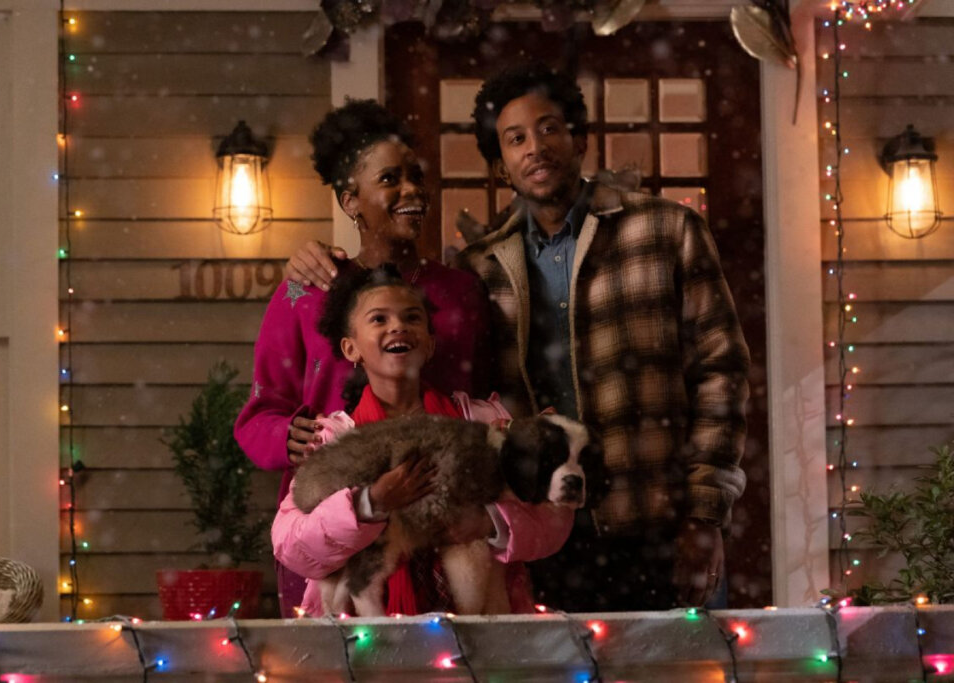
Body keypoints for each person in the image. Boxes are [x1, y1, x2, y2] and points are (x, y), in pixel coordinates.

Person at [283, 62, 750, 612]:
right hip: (541, 526)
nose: (535, 148)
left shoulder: (666, 231)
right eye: (515, 138)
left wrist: (703, 514)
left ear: (578, 139)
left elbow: (722, 370)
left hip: (654, 515)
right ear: (501, 162)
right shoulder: (483, 267)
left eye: (549, 128)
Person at [234, 99, 490, 617]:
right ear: (351, 200)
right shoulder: (307, 292)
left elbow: (482, 404)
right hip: (334, 530)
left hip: (446, 530)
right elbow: (259, 415)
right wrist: (286, 436)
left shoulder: (461, 292)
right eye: (391, 179)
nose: (413, 191)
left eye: (416, 177)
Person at [272, 265, 574, 616]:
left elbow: (554, 517)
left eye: (412, 317)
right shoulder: (333, 440)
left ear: (430, 343)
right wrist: (369, 504)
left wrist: (486, 523)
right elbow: (290, 544)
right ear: (351, 348)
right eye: (379, 319)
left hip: (478, 630)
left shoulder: (481, 422)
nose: (398, 326)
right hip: (366, 634)